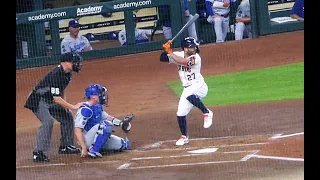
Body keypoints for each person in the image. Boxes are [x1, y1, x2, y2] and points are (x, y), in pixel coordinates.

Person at [24, 52, 84, 163]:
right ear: (66, 63)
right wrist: (73, 106)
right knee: (48, 121)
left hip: (49, 99)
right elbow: (56, 98)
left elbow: (62, 89)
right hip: (37, 99)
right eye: (74, 62)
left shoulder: (67, 73)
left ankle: (66, 146)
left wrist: (65, 104)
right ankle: (38, 153)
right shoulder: (56, 74)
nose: (77, 64)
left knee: (67, 115)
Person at [160, 37, 214, 146]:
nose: (194, 48)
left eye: (195, 46)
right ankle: (184, 137)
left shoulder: (196, 58)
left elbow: (183, 62)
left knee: (190, 94)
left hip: (199, 86)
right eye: (191, 47)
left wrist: (170, 51)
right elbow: (163, 58)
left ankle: (207, 112)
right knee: (180, 113)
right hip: (187, 88)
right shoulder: (178, 54)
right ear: (185, 49)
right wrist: (165, 49)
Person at [74, 84, 133, 158]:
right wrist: (83, 147)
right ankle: (93, 151)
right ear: (93, 97)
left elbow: (107, 117)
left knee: (123, 144)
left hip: (96, 136)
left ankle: (99, 145)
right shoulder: (85, 109)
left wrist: (121, 123)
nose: (103, 96)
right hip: (87, 139)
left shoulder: (98, 106)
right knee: (106, 125)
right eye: (100, 94)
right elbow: (77, 130)